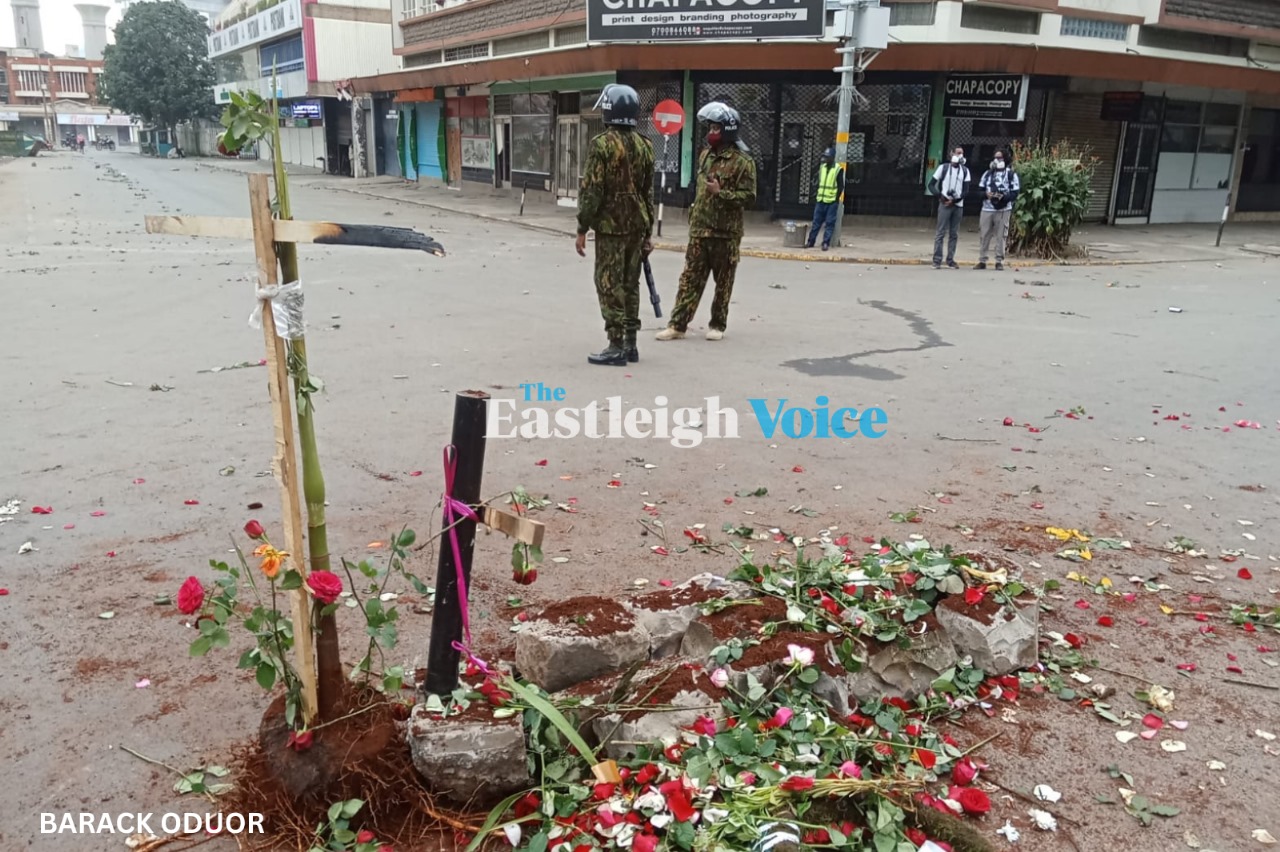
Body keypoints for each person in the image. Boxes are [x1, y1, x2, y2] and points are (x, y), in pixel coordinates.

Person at [656, 102, 757, 343]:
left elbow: (750, 197)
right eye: (709, 127)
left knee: (723, 283)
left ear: (727, 130)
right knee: (689, 278)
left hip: (726, 233)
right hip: (700, 230)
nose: (710, 132)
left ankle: (717, 324)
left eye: (714, 128)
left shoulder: (743, 161)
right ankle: (677, 325)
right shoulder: (705, 155)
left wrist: (721, 193)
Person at [575, 84, 656, 366]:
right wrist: (648, 231)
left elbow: (592, 190)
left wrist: (582, 227)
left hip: (611, 227)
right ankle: (631, 344)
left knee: (609, 284)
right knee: (630, 284)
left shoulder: (602, 145)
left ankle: (616, 344)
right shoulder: (645, 146)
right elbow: (648, 193)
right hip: (637, 226)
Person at [975, 149, 1019, 271]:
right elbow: (978, 191)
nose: (996, 161)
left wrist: (1003, 197)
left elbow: (1015, 193)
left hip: (1003, 210)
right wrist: (986, 195)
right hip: (987, 209)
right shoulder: (987, 174)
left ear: (1005, 159)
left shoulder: (1011, 175)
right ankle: (982, 260)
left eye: (1000, 158)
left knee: (1001, 236)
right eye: (995, 158)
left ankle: (999, 261)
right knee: (984, 235)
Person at [929, 146, 970, 269]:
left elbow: (966, 190)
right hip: (944, 203)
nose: (960, 155)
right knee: (940, 232)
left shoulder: (965, 171)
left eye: (962, 153)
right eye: (958, 153)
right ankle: (937, 260)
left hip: (958, 205)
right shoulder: (943, 168)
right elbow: (931, 185)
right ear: (952, 154)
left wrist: (956, 200)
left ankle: (950, 259)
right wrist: (941, 197)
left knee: (954, 233)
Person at [804, 146, 844, 251]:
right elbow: (819, 183)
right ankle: (810, 241)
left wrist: (836, 198)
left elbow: (840, 186)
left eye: (827, 157)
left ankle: (825, 243)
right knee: (816, 222)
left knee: (829, 223)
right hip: (820, 200)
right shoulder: (822, 167)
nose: (825, 159)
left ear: (832, 158)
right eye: (824, 157)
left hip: (831, 202)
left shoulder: (838, 169)